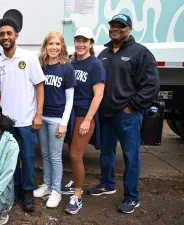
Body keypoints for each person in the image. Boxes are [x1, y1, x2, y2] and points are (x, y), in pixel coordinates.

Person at [87, 14, 160, 214]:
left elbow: (151, 85)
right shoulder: (104, 53)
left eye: (120, 25)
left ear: (129, 29)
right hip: (107, 115)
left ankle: (131, 197)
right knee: (106, 152)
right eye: (113, 25)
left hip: (128, 116)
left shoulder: (140, 53)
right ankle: (107, 184)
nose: (115, 28)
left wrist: (132, 106)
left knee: (131, 156)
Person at [0, 17, 45, 212]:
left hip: (26, 120)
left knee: (28, 158)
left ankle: (28, 192)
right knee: (9, 159)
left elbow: (39, 87)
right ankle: (15, 189)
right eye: (2, 34)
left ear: (16, 35)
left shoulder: (29, 58)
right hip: (6, 122)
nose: (5, 37)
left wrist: (38, 114)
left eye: (9, 33)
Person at [64, 27, 106, 215]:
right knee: (71, 151)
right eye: (78, 40)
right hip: (71, 115)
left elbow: (98, 95)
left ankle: (77, 195)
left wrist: (88, 120)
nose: (80, 44)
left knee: (75, 155)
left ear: (91, 43)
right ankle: (74, 180)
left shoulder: (95, 65)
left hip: (84, 115)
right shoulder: (71, 63)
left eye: (85, 40)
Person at [33, 31, 76, 208]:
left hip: (57, 118)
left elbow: (70, 99)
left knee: (55, 156)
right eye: (50, 44)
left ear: (62, 47)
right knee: (44, 153)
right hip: (41, 117)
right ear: (45, 46)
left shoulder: (67, 67)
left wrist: (63, 123)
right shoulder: (40, 66)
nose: (54, 47)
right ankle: (47, 184)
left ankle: (57, 191)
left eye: (57, 44)